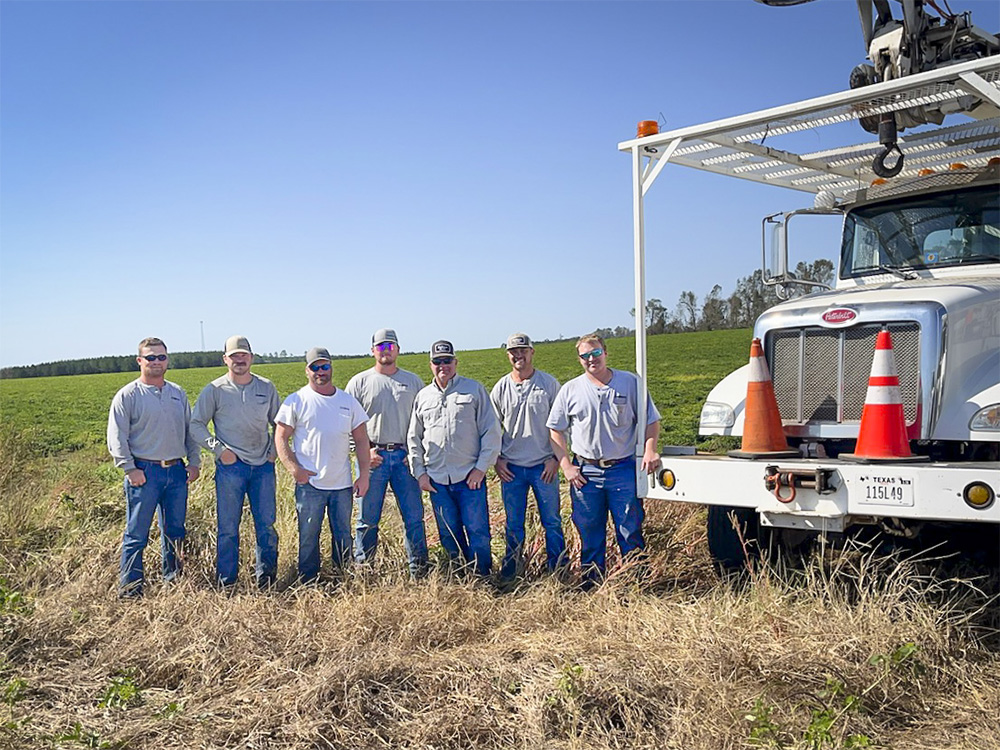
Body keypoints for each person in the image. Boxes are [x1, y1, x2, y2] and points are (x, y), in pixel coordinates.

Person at [547, 334, 661, 588]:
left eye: (595, 353)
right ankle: (592, 585)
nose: (591, 359)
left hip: (622, 469)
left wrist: (650, 449)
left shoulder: (630, 383)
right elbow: (555, 429)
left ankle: (637, 584)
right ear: (579, 360)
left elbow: (651, 421)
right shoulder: (571, 389)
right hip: (586, 473)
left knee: (629, 529)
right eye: (585, 356)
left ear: (606, 353)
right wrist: (566, 466)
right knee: (589, 532)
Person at [107, 337, 200, 598]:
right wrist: (129, 469)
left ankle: (174, 581)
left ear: (167, 360)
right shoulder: (128, 395)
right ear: (140, 361)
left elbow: (190, 432)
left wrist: (194, 463)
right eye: (150, 357)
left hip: (176, 472)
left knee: (175, 531)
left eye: (161, 357)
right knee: (137, 533)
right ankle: (130, 589)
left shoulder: (177, 393)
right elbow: (117, 436)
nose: (156, 362)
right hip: (144, 473)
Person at [191, 335, 281, 589]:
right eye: (234, 356)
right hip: (231, 468)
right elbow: (196, 425)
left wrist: (274, 451)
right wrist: (219, 451)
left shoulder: (266, 387)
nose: (239, 360)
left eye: (244, 355)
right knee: (228, 527)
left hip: (263, 467)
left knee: (266, 525)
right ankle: (227, 583)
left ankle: (267, 581)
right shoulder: (215, 390)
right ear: (225, 359)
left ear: (251, 358)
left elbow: (280, 424)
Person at [275, 347, 371, 583]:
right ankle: (308, 582)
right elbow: (280, 437)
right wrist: (294, 469)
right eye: (315, 367)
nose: (320, 372)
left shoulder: (348, 402)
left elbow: (361, 440)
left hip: (342, 485)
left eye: (324, 366)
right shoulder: (296, 401)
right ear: (307, 371)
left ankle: (343, 578)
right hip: (310, 485)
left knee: (343, 535)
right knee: (308, 536)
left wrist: (364, 475)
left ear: (331, 368)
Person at [407, 340, 501, 577]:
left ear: (455, 362)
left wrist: (481, 468)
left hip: (470, 478)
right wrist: (420, 473)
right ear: (430, 364)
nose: (443, 365)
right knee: (448, 533)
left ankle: (482, 578)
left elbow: (491, 431)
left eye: (447, 360)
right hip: (437, 480)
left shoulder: (474, 390)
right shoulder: (423, 397)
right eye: (437, 361)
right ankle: (458, 578)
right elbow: (414, 438)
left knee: (478, 531)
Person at [346, 328, 429, 577]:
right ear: (373, 351)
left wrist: (415, 455)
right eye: (381, 346)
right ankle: (364, 570)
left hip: (405, 459)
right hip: (373, 459)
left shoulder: (413, 382)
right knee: (367, 520)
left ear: (398, 350)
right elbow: (347, 422)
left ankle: (419, 570)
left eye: (390, 346)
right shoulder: (359, 383)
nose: (386, 351)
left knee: (414, 518)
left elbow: (425, 421)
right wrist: (363, 454)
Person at [490, 332, 565, 579]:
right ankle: (512, 572)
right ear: (508, 355)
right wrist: (497, 459)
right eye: (513, 351)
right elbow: (490, 428)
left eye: (523, 350)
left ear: (532, 352)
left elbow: (564, 424)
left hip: (544, 467)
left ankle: (558, 571)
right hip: (512, 469)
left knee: (552, 522)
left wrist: (556, 459)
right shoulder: (501, 387)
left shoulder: (549, 384)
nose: (518, 355)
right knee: (513, 525)